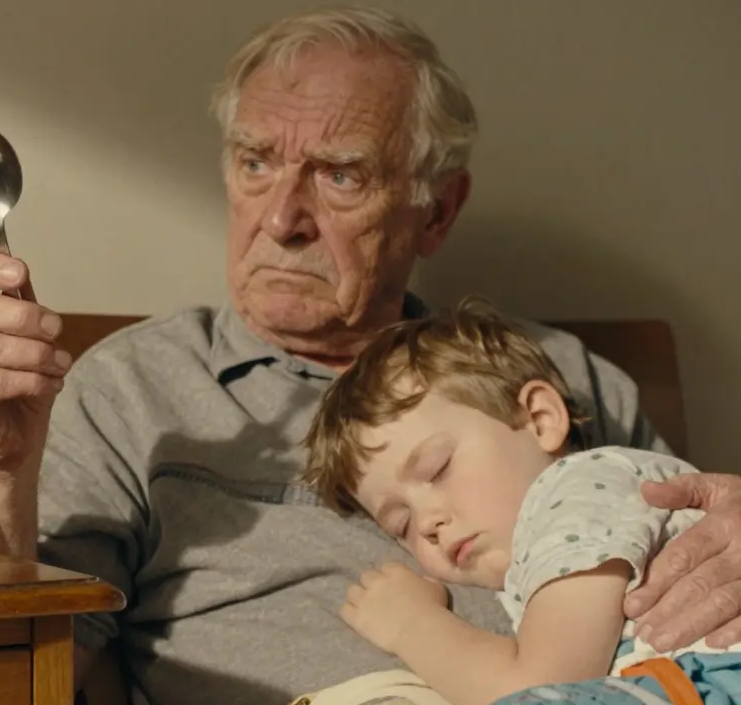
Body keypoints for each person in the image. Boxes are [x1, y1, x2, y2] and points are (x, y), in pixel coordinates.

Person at [0, 4, 741, 705]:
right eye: (255, 163)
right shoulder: (132, 388)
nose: (282, 219)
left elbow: (702, 592)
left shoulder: (562, 376)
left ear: (436, 211)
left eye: (340, 176)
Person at [301, 298, 741, 705]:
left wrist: (411, 624)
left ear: (539, 419)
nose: (429, 522)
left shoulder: (579, 491)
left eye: (438, 470)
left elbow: (541, 685)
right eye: (401, 525)